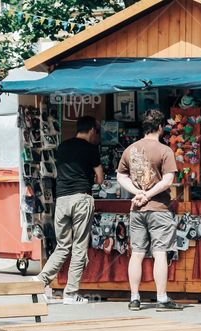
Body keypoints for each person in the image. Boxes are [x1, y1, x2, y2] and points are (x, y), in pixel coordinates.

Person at [35, 116, 103, 304]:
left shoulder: (63, 147)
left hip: (62, 200)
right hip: (81, 198)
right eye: (97, 132)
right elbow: (100, 178)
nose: (97, 135)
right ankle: (71, 294)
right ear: (91, 130)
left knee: (63, 246)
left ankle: (40, 281)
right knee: (79, 246)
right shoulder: (91, 149)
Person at [116, 109, 180, 311]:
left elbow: (121, 176)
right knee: (160, 253)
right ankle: (161, 298)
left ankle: (134, 298)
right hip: (159, 208)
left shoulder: (130, 150)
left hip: (137, 209)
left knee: (137, 253)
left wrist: (138, 193)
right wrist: (149, 194)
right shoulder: (165, 150)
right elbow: (168, 180)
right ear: (161, 127)